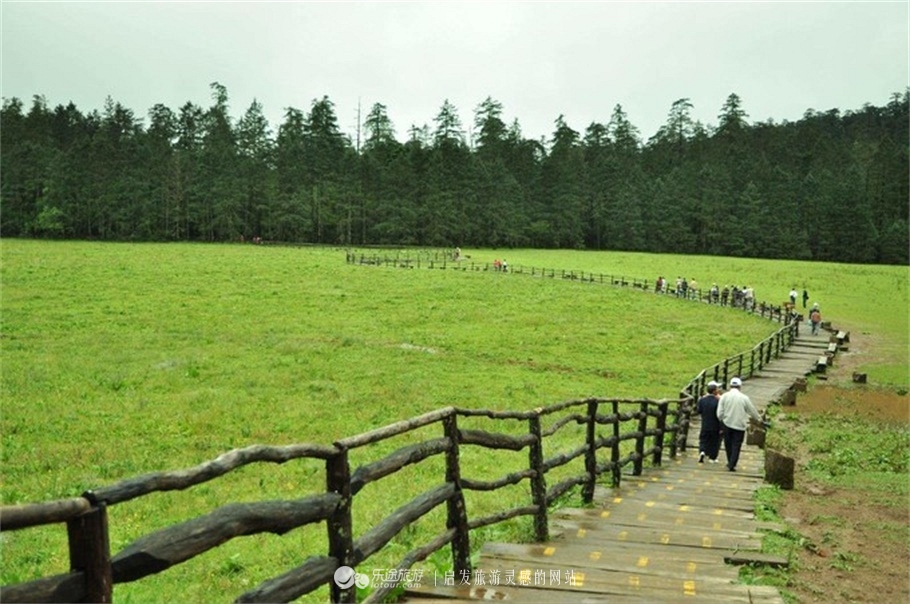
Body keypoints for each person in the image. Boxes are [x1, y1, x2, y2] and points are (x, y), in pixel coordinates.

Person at [716, 377, 762, 472]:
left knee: (728, 444)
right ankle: (732, 463)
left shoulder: (724, 396)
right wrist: (758, 419)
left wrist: (722, 419)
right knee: (736, 445)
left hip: (727, 423)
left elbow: (719, 412)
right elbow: (751, 410)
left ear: (730, 386)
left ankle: (730, 461)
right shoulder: (744, 398)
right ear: (740, 386)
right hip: (739, 425)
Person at [696, 381, 723, 464]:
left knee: (703, 439)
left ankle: (702, 451)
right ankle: (712, 457)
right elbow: (720, 413)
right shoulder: (718, 401)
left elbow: (699, 411)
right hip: (715, 425)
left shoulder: (702, 400)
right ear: (714, 391)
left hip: (705, 424)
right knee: (714, 441)